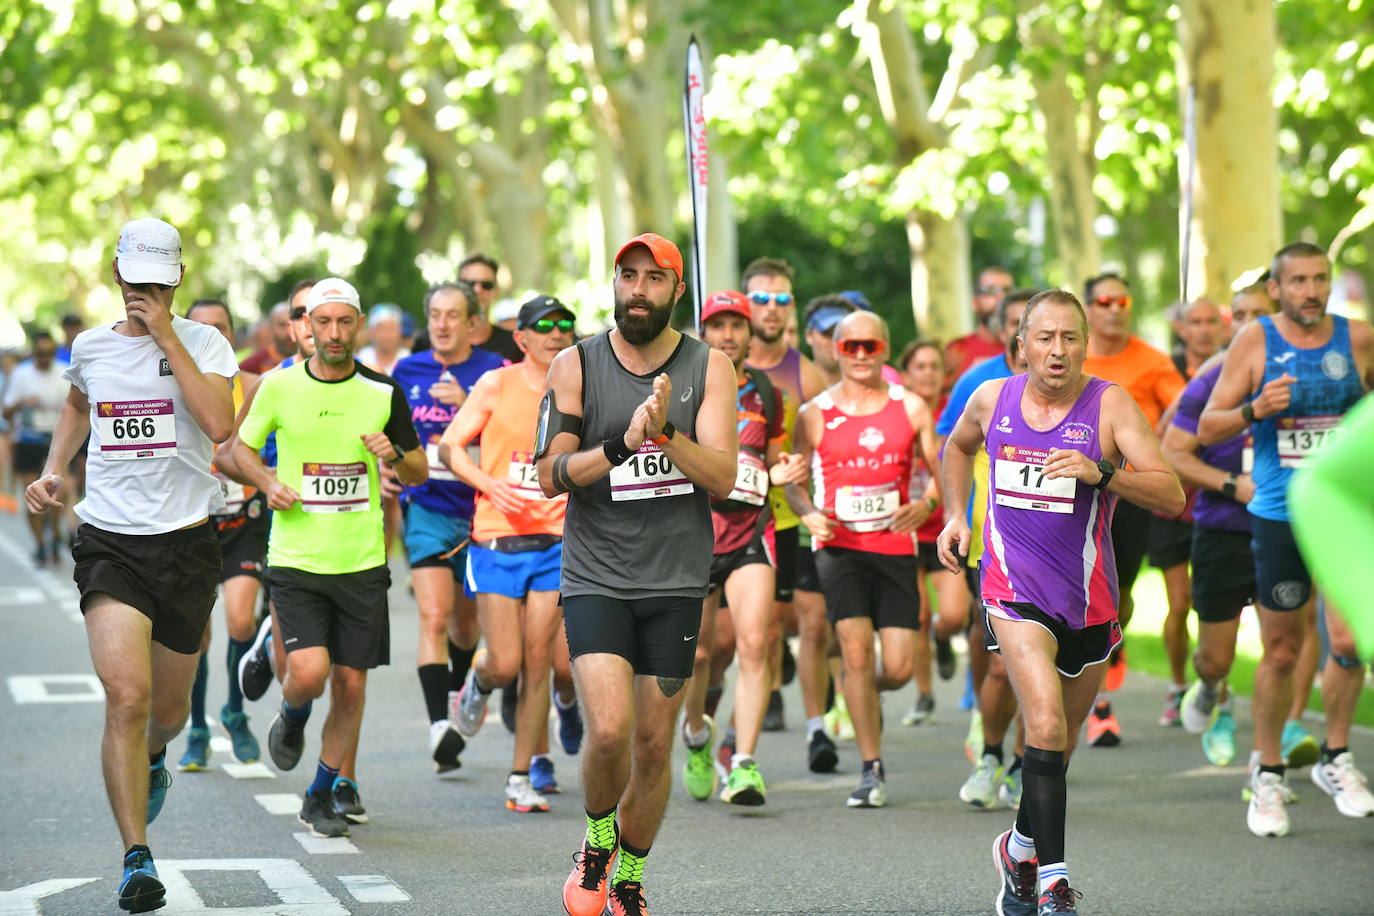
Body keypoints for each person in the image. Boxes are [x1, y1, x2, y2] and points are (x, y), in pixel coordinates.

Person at [938, 288, 1184, 916]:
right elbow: (958, 447)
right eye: (1044, 337)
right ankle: (1054, 883)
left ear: (1085, 344)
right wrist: (955, 516)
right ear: (1020, 345)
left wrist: (1100, 472)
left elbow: (1170, 493)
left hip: (1089, 602)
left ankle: (1018, 848)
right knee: (1043, 724)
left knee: (1060, 745)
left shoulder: (1110, 406)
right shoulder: (993, 399)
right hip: (1012, 592)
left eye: (1069, 337)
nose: (1057, 349)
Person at [25, 217, 237, 913]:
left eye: (155, 282)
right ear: (116, 275)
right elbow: (79, 406)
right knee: (126, 697)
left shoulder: (205, 342)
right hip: (111, 540)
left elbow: (220, 426)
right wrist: (56, 470)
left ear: (174, 280)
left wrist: (169, 337)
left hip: (187, 541)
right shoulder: (89, 348)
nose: (140, 292)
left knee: (168, 714)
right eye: (132, 280)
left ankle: (153, 760)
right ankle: (136, 857)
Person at [540, 233, 737, 916]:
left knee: (654, 746)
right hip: (597, 573)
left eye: (654, 279)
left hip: (677, 581)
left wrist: (665, 437)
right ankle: (596, 840)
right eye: (628, 276)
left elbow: (722, 476)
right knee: (612, 731)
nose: (638, 290)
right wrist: (621, 444)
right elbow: (549, 476)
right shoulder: (576, 364)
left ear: (676, 290)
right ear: (614, 284)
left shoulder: (709, 366)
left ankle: (630, 875)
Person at [231, 278, 426, 838]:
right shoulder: (278, 387)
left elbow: (417, 472)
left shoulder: (383, 393)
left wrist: (397, 454)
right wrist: (267, 481)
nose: (335, 333)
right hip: (295, 559)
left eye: (345, 322)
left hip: (362, 562)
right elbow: (238, 450)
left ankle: (320, 793)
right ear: (307, 328)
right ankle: (291, 717)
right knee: (310, 673)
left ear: (358, 326)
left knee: (352, 687)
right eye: (324, 322)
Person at [1199, 241, 1374, 836]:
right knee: (1281, 650)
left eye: (1319, 279)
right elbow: (1206, 426)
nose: (1311, 291)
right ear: (1276, 288)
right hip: (1281, 510)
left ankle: (1335, 756)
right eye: (1297, 280)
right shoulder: (1256, 341)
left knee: (1350, 641)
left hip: (1347, 510)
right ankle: (1267, 769)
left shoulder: (1358, 339)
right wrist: (1255, 409)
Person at [787, 310, 941, 809]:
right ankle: (871, 770)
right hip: (840, 551)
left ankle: (855, 689)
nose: (857, 355)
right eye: (848, 346)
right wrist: (808, 514)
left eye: (868, 347)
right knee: (855, 654)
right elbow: (791, 480)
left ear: (884, 350)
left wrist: (927, 503)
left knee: (894, 668)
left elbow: (946, 471)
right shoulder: (813, 413)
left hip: (894, 548)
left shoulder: (911, 408)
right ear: (834, 350)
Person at [442, 294, 582, 812]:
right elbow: (451, 446)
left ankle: (520, 776)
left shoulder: (583, 388)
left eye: (565, 324)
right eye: (543, 325)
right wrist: (487, 483)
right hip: (497, 537)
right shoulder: (496, 382)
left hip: (556, 540)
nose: (556, 332)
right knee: (504, 662)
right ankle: (477, 685)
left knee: (539, 659)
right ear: (521, 337)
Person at [679, 290, 801, 807]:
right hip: (695, 532)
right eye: (718, 326)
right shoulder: (685, 389)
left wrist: (783, 473)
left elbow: (775, 458)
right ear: (703, 333)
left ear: (751, 335)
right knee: (698, 652)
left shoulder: (767, 394)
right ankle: (696, 735)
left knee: (756, 643)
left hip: (753, 528)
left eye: (737, 326)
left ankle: (745, 763)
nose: (728, 335)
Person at [388, 283, 505, 774]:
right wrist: (388, 469)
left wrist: (467, 407)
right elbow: (390, 434)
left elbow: (510, 441)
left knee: (464, 626)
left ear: (473, 322)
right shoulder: (406, 370)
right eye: (435, 314)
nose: (442, 324)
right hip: (428, 507)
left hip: (479, 512)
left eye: (453, 315)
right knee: (434, 617)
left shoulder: (495, 374)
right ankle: (439, 724)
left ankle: (460, 701)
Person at [1162, 280, 1277, 767]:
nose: (1249, 324)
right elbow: (1173, 448)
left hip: (1286, 527)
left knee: (1286, 647)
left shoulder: (1304, 374)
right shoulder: (1214, 376)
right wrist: (1234, 485)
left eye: (1260, 314)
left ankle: (1277, 749)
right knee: (1216, 656)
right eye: (1241, 314)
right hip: (1223, 526)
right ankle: (1210, 686)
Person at [1079, 271, 1186, 746]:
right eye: (1105, 300)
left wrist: (1154, 448)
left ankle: (1112, 635)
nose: (1115, 308)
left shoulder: (1152, 360)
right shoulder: (1072, 357)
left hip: (1129, 494)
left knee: (1116, 592)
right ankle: (1096, 699)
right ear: (1089, 308)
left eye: (1122, 300)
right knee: (1085, 589)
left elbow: (1185, 414)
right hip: (1074, 491)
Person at [939, 289, 1033, 806]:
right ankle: (992, 749)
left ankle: (1025, 762)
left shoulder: (1087, 397)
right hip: (992, 546)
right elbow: (950, 443)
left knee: (1044, 668)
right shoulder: (981, 385)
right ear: (1010, 336)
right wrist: (956, 515)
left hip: (1058, 557)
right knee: (1000, 661)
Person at [741, 257, 828, 760]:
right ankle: (760, 693)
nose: (772, 309)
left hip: (795, 515)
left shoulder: (807, 375)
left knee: (812, 621)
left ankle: (816, 727)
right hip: (740, 516)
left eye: (782, 300)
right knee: (759, 628)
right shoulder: (720, 365)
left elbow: (827, 450)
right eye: (762, 299)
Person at [176, 298, 267, 771]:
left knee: (240, 623)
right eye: (202, 327)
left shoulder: (256, 387)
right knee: (198, 635)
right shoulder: (171, 386)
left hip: (243, 524)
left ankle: (234, 710)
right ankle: (196, 727)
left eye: (222, 328)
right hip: (192, 527)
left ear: (234, 335)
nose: (214, 335)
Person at [897, 339, 968, 725]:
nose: (927, 373)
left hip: (945, 527)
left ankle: (945, 640)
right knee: (919, 616)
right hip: (905, 530)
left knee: (954, 615)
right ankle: (924, 695)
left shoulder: (954, 412)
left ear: (944, 375)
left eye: (933, 366)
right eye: (919, 366)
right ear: (907, 373)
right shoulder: (895, 412)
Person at [4, 330, 69, 564]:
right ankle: (41, 543)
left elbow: (77, 409)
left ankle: (56, 533)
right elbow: (6, 410)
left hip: (55, 441)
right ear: (34, 352)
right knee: (31, 496)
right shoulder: (22, 375)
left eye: (49, 353)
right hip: (28, 441)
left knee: (59, 493)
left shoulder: (63, 371)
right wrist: (23, 403)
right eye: (41, 353)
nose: (45, 358)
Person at [944, 266, 1015, 389]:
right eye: (991, 291)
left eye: (1008, 291)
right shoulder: (957, 350)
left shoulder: (1027, 349)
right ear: (975, 303)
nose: (1001, 298)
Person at [459, 254, 523, 362]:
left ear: (496, 291)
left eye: (486, 285)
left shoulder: (515, 345)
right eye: (469, 284)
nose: (477, 290)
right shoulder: (431, 341)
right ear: (456, 288)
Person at [238, 301, 296, 374]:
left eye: (293, 324)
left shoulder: (310, 360)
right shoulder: (252, 365)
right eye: (282, 325)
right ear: (271, 328)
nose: (289, 331)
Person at [357, 303, 412, 375]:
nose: (387, 335)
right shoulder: (362, 358)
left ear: (400, 331)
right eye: (382, 329)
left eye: (391, 329)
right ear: (371, 332)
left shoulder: (408, 358)